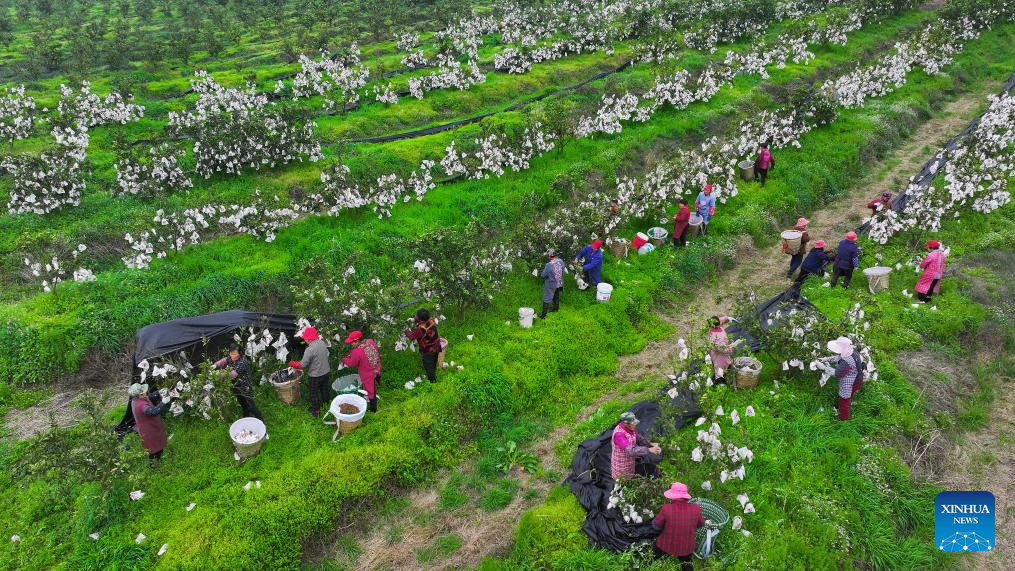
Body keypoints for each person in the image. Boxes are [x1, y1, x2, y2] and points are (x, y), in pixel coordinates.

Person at [652, 482, 704, 569]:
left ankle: (652, 563)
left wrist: (654, 521)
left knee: (656, 553)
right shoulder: (696, 508)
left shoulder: (666, 508)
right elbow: (701, 524)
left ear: (673, 496)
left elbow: (656, 526)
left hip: (666, 545)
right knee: (687, 563)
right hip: (687, 547)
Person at [214, 343, 264, 421]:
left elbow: (232, 374)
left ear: (239, 353)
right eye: (231, 353)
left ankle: (260, 420)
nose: (232, 355)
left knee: (251, 406)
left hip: (245, 387)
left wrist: (218, 375)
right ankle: (246, 417)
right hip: (236, 386)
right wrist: (215, 365)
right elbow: (224, 361)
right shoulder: (231, 357)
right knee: (243, 404)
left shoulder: (242, 362)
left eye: (234, 354)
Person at [288, 328, 331, 416]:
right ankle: (327, 405)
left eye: (305, 338)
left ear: (309, 338)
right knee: (324, 389)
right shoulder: (322, 343)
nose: (304, 340)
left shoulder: (310, 349)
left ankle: (316, 411)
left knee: (313, 393)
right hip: (326, 372)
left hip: (316, 376)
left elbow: (302, 365)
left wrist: (292, 363)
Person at [611, 411, 662, 480]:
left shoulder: (630, 429)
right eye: (633, 424)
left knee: (630, 475)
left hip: (629, 462)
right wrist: (648, 450)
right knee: (623, 480)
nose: (635, 425)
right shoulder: (619, 435)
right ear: (626, 424)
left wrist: (649, 444)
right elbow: (631, 450)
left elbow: (638, 438)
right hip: (621, 465)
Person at [341, 330, 381, 412]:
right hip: (376, 369)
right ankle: (366, 402)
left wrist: (344, 359)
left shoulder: (357, 351)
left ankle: (373, 410)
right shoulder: (370, 341)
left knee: (371, 392)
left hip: (367, 374)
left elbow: (352, 363)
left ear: (357, 341)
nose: (351, 344)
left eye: (352, 342)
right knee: (371, 388)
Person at [827, 336, 864, 421]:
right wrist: (826, 359)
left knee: (844, 399)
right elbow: (839, 357)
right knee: (847, 396)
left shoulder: (846, 362)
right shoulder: (851, 351)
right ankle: (839, 406)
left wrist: (823, 368)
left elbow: (837, 373)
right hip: (859, 378)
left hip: (852, 382)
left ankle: (843, 419)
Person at [129, 383, 168, 460]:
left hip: (149, 427)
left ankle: (157, 461)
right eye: (144, 392)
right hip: (149, 430)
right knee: (154, 449)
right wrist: (163, 402)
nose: (146, 392)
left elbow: (149, 397)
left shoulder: (135, 400)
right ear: (140, 394)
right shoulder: (141, 406)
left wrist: (159, 392)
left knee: (155, 447)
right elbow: (154, 411)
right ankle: (154, 466)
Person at [405, 308, 441, 382]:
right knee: (434, 361)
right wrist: (413, 320)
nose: (416, 317)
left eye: (416, 316)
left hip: (428, 350)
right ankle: (433, 371)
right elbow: (422, 318)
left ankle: (432, 381)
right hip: (436, 346)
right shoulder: (431, 321)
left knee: (428, 365)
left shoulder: (421, 329)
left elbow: (412, 336)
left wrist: (405, 330)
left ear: (420, 318)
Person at [707, 316, 734, 384]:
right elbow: (723, 349)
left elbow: (721, 320)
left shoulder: (712, 326)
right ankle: (720, 384)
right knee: (720, 370)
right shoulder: (717, 338)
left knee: (726, 365)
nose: (721, 323)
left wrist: (728, 318)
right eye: (719, 323)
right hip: (719, 356)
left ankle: (724, 375)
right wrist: (732, 347)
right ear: (717, 325)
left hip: (717, 352)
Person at [539, 250, 564, 319]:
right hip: (559, 283)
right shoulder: (561, 261)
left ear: (550, 256)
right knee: (556, 295)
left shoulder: (549, 265)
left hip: (551, 284)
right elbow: (562, 271)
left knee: (546, 298)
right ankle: (555, 309)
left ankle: (543, 316)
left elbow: (543, 275)